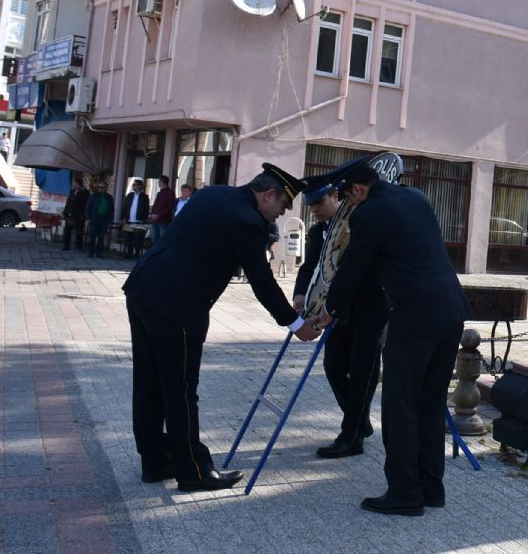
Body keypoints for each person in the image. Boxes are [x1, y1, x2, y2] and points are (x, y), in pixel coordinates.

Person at [122, 163, 320, 492]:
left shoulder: (215, 193)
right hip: (177, 305)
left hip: (144, 288)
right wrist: (296, 323)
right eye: (282, 207)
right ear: (268, 195)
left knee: (149, 381)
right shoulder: (248, 221)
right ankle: (194, 471)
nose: (279, 216)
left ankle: (155, 460)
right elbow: (262, 281)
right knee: (181, 390)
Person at [313, 157, 470, 516]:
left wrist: (328, 310)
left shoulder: (368, 214)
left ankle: (404, 492)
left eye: (348, 199)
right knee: (430, 403)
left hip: (414, 317)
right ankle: (431, 487)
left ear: (357, 189)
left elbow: (352, 267)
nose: (348, 206)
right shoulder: (414, 195)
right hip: (450, 311)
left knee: (399, 405)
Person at [293, 182, 387, 460]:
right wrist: (301, 295)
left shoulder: (358, 223)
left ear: (336, 197)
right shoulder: (317, 232)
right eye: (310, 206)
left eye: (318, 204)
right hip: (336, 311)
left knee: (363, 371)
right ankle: (359, 422)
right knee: (333, 366)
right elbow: (310, 266)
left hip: (371, 307)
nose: (314, 211)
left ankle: (352, 436)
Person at [120, 179, 150, 258]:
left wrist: (143, 220)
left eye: (135, 184)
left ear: (140, 186)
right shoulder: (130, 195)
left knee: (138, 238)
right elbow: (125, 207)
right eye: (133, 185)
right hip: (129, 220)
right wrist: (123, 218)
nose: (134, 186)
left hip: (138, 221)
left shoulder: (144, 197)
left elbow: (146, 209)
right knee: (129, 238)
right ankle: (128, 253)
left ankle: (137, 253)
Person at [84, 181, 114, 258]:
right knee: (92, 236)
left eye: (102, 187)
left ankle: (99, 252)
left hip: (104, 220)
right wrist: (88, 218)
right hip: (94, 219)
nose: (100, 188)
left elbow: (111, 209)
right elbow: (88, 207)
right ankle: (90, 252)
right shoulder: (93, 196)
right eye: (99, 187)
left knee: (101, 237)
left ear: (106, 188)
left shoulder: (109, 197)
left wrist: (110, 221)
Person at [62, 176, 90, 251]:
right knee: (67, 231)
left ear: (78, 183)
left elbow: (86, 205)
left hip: (78, 215)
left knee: (79, 232)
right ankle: (66, 246)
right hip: (70, 215)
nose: (73, 184)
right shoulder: (73, 191)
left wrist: (83, 215)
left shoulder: (85, 192)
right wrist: (65, 212)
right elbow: (68, 202)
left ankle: (79, 246)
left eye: (74, 182)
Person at [147, 175, 175, 243]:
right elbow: (155, 205)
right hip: (155, 221)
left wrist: (159, 215)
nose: (158, 183)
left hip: (163, 221)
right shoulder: (159, 193)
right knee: (154, 239)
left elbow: (169, 207)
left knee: (162, 240)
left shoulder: (170, 193)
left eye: (159, 181)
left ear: (162, 182)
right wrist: (152, 214)